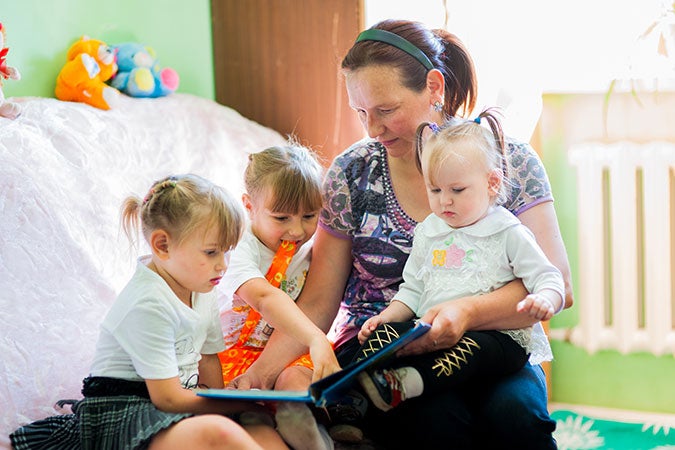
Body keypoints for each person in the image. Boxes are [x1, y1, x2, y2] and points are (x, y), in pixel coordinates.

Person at [229, 19, 574, 449]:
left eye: (385, 110)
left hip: (496, 345)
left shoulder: (507, 160)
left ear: (433, 87)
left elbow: (557, 281)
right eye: (361, 113)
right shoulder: (352, 174)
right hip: (390, 356)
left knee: (515, 417)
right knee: (435, 421)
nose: (372, 129)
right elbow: (319, 300)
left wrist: (466, 312)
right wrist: (258, 374)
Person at [11, 174, 288, 450]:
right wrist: (226, 408)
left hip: (180, 400)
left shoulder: (202, 285)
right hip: (127, 410)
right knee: (219, 433)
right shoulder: (147, 302)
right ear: (162, 245)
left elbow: (208, 358)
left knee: (259, 428)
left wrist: (229, 405)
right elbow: (167, 399)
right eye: (212, 252)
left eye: (228, 252)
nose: (223, 266)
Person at [354, 108, 564, 413]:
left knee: (472, 347)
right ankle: (351, 389)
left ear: (492, 183)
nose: (444, 200)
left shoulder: (507, 231)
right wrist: (387, 317)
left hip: (497, 340)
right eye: (435, 189)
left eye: (457, 190)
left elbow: (549, 277)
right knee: (384, 335)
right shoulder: (429, 231)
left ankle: (407, 384)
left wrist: (545, 298)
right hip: (434, 334)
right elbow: (412, 290)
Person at [217, 145, 340, 450]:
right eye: (281, 218)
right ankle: (258, 422)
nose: (296, 231)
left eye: (309, 216)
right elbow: (263, 297)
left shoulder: (312, 250)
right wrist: (315, 338)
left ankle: (299, 419)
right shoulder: (237, 248)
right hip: (236, 351)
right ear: (249, 206)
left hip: (288, 350)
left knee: (295, 379)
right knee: (245, 403)